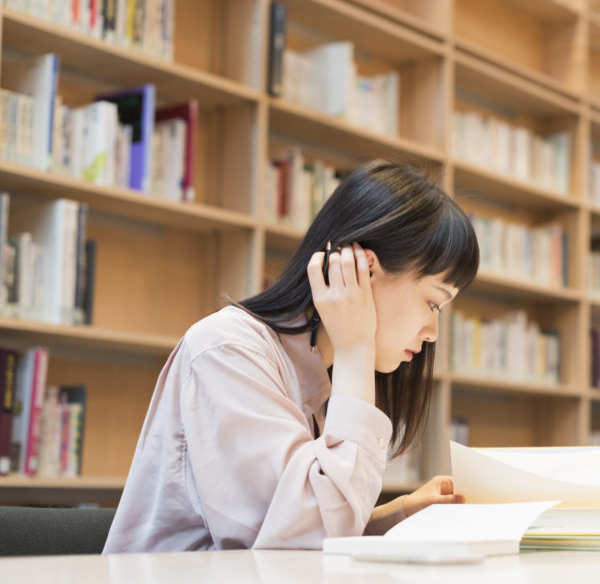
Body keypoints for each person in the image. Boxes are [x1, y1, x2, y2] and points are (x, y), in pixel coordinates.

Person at [104, 161, 480, 552]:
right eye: (434, 304)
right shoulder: (228, 351)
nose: (432, 333)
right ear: (364, 270)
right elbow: (298, 544)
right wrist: (355, 349)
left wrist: (396, 515)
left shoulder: (321, 374)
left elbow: (300, 530)